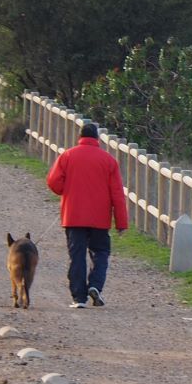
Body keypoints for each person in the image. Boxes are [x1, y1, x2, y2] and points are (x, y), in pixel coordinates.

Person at [46, 121, 129, 308]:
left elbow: (53, 181)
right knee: (100, 252)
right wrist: (121, 223)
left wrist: (66, 190)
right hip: (100, 218)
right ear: (97, 138)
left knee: (77, 256)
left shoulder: (68, 156)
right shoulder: (108, 160)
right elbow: (117, 194)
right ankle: (95, 285)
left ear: (80, 136)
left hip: (73, 215)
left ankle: (79, 298)